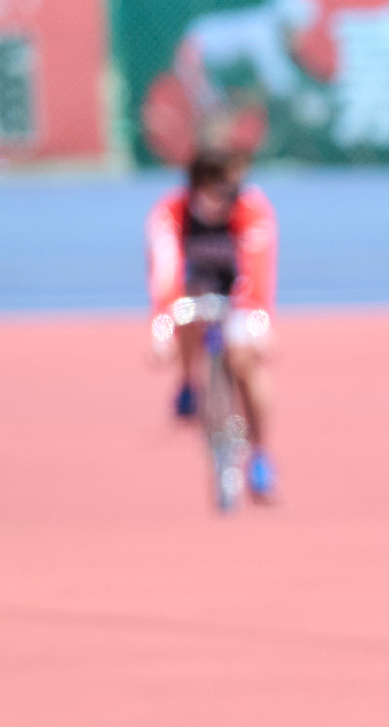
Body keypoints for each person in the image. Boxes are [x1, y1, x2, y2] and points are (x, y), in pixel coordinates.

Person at [146, 149, 279, 501]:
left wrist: (261, 327)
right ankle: (189, 380)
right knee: (186, 313)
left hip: (240, 297)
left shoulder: (251, 209)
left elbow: (259, 274)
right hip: (194, 292)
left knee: (244, 361)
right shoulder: (170, 213)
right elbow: (164, 276)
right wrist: (161, 333)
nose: (223, 197)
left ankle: (260, 453)